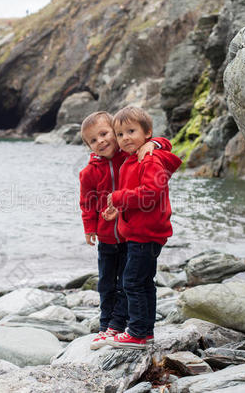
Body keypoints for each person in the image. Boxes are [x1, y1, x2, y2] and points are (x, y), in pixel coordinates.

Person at [78, 111, 172, 350]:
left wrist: (154, 142)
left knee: (128, 282)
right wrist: (90, 227)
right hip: (108, 236)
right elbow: (87, 202)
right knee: (107, 284)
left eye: (104, 134)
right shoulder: (89, 172)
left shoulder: (131, 155)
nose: (100, 141)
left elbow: (163, 146)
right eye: (93, 140)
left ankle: (120, 326)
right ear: (88, 146)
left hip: (131, 233)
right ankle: (105, 326)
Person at [104, 106, 181, 349]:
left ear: (147, 133)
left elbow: (150, 195)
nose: (125, 138)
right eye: (120, 134)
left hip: (146, 234)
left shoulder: (149, 158)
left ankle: (137, 331)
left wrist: (118, 197)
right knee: (144, 282)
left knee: (133, 282)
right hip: (141, 232)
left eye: (131, 131)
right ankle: (145, 330)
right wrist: (118, 209)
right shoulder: (132, 159)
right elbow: (140, 197)